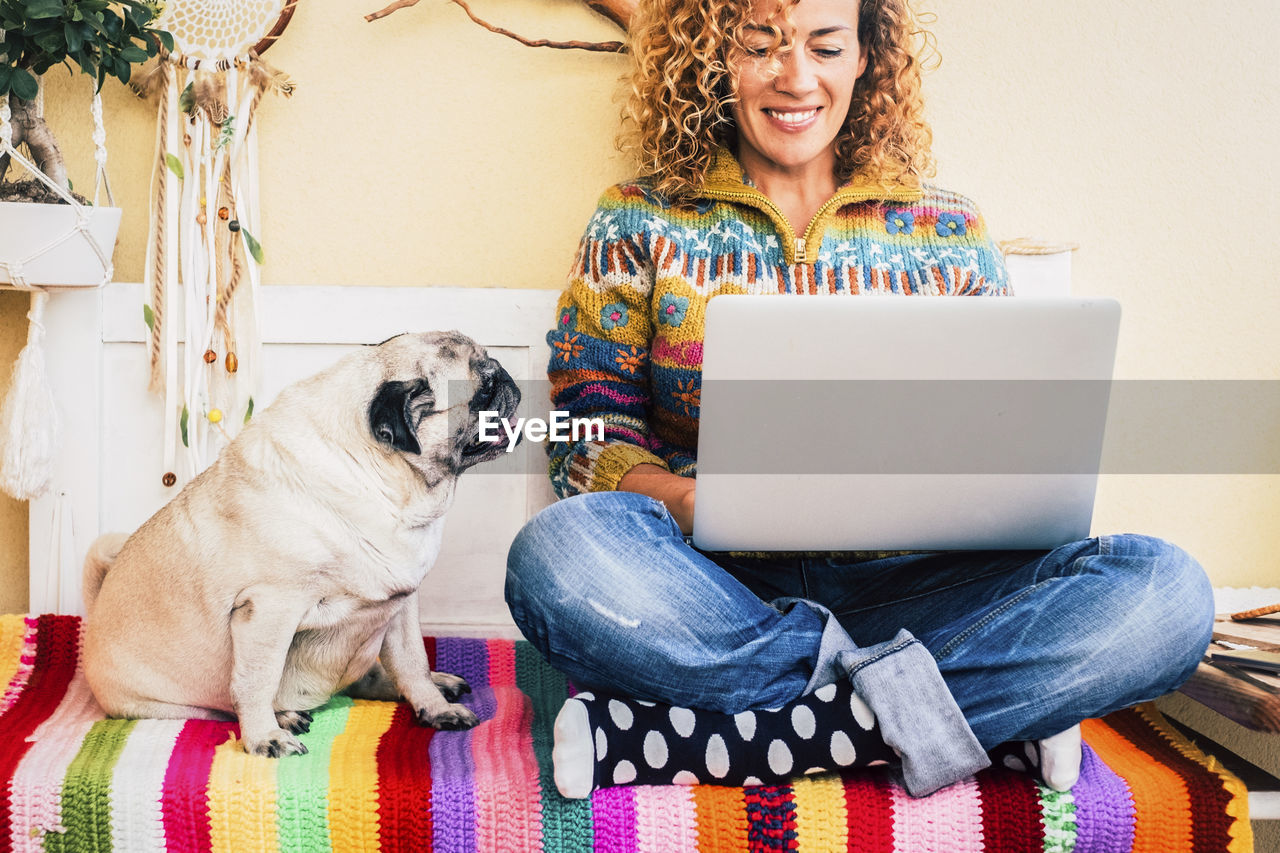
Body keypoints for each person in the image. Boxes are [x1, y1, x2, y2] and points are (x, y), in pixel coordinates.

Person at [505, 0, 1214, 799]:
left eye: (824, 45)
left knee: (1166, 594)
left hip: (924, 588)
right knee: (554, 558)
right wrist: (692, 501)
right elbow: (583, 431)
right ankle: (981, 713)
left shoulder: (947, 228)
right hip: (720, 592)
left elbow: (1009, 439)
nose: (794, 77)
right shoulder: (638, 216)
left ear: (865, 56)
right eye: (760, 43)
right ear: (714, 55)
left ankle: (726, 738)